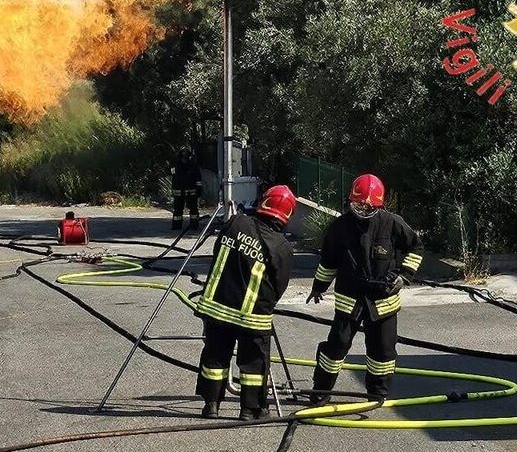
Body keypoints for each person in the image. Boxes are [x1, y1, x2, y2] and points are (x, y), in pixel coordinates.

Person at [305, 173, 424, 405]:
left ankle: (377, 393)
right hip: (350, 298)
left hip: (383, 299)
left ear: (379, 205)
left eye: (369, 206)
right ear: (351, 200)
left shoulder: (392, 223)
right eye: (359, 205)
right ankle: (321, 391)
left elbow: (416, 247)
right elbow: (328, 261)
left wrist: (405, 275)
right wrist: (318, 287)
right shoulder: (339, 227)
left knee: (383, 351)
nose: (363, 209)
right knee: (336, 346)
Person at [195, 185, 296, 420]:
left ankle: (211, 405)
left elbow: (219, 251)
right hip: (253, 316)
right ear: (287, 214)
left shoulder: (236, 223)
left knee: (215, 356)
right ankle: (249, 410)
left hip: (217, 307)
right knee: (253, 364)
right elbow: (279, 285)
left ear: (264, 202)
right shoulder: (281, 247)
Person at [170, 146, 202, 230]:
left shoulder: (193, 165)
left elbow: (198, 178)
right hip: (180, 191)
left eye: (186, 153)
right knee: (178, 210)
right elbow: (173, 176)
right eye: (183, 153)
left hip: (190, 191)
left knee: (193, 210)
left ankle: (193, 225)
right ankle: (177, 225)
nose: (185, 155)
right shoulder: (176, 165)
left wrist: (198, 189)